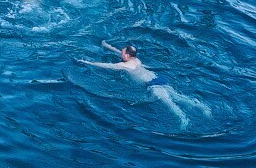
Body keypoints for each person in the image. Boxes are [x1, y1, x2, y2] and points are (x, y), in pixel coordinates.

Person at [79, 42, 212, 128]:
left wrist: (88, 63)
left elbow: (106, 66)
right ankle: (202, 108)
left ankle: (183, 119)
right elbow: (118, 51)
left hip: (153, 86)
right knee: (178, 97)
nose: (120, 52)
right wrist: (106, 46)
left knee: (170, 103)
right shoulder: (136, 60)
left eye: (122, 51)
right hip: (160, 79)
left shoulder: (123, 66)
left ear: (126, 55)